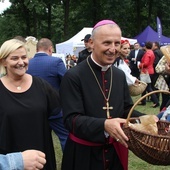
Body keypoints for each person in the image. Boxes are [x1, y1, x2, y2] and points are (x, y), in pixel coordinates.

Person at [60, 20, 144, 170]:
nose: (113, 49)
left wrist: (145, 118)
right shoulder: (73, 76)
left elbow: (125, 109)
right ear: (91, 43)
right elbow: (71, 120)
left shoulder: (118, 75)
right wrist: (104, 125)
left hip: (114, 155)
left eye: (117, 43)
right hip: (83, 156)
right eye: (107, 43)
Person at [0, 39, 61, 170]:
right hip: (10, 161)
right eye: (14, 58)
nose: (21, 62)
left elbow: (58, 116)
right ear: (3, 61)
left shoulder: (42, 86)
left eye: (24, 57)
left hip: (41, 158)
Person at [27, 38, 68, 152]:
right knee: (65, 138)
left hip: (35, 110)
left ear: (36, 49)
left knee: (38, 142)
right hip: (56, 110)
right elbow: (67, 83)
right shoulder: (56, 62)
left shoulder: (27, 63)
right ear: (50, 49)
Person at [138, 41, 159, 107]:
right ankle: (143, 101)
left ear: (145, 46)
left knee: (148, 88)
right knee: (145, 87)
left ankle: (156, 101)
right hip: (150, 70)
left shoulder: (147, 53)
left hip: (146, 71)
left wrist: (140, 65)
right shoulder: (151, 52)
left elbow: (146, 63)